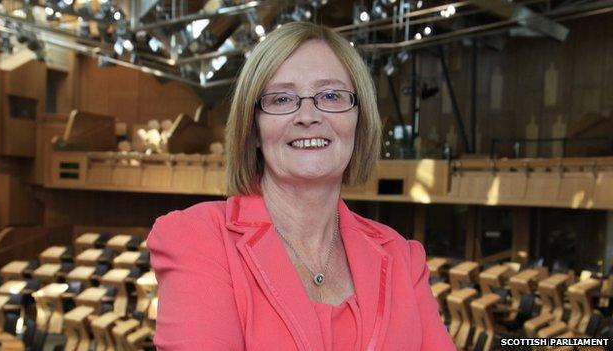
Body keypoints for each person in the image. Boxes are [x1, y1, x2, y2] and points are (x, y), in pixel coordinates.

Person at [147, 21, 456, 351]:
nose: (308, 115)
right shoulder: (198, 240)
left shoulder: (402, 259)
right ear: (252, 129)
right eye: (281, 99)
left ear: (359, 120)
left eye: (331, 95)